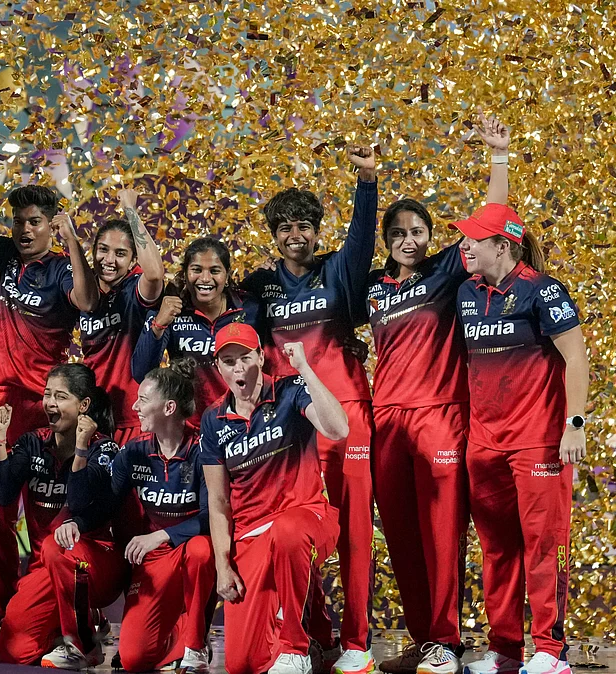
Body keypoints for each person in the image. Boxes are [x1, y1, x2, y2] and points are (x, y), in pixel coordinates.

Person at [369, 114, 511, 674]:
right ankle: (424, 636)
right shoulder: (374, 287)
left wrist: (498, 157)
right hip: (386, 421)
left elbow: (491, 220)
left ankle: (447, 643)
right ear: (387, 241)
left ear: (430, 237)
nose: (409, 241)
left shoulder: (446, 271)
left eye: (418, 232)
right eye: (398, 234)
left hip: (440, 417)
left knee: (442, 532)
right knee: (402, 536)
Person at [240, 145, 378, 674]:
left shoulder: (337, 270)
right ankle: (315, 635)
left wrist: (366, 182)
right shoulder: (261, 287)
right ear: (274, 236)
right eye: (285, 228)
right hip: (292, 423)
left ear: (317, 232)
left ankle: (357, 642)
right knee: (295, 529)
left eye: (304, 226)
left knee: (354, 530)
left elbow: (361, 237)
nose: (295, 235)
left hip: (347, 414)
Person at [452, 204, 589, 674]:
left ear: (502, 246)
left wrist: (574, 424)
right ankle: (506, 650)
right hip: (483, 443)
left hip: (537, 442)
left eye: (474, 238)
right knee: (497, 550)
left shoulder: (543, 290)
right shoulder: (466, 292)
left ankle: (551, 651)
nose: (464, 245)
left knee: (544, 546)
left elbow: (576, 358)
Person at [0, 185, 100, 653]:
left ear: (51, 225)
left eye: (35, 222)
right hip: (4, 401)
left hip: (49, 406)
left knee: (49, 518)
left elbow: (86, 301)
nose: (24, 229)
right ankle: (9, 615)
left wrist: (74, 240)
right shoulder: (6, 257)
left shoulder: (62, 267)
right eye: (19, 221)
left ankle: (61, 621)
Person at [201, 323, 349, 674]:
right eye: (228, 361)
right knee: (242, 664)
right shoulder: (213, 420)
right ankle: (320, 635)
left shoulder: (290, 390)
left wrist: (305, 369)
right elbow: (218, 502)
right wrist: (223, 564)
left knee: (288, 533)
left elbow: (338, 429)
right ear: (218, 367)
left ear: (260, 357)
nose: (238, 368)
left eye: (245, 358)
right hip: (252, 535)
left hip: (306, 517)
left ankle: (296, 648)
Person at [0, 363, 124, 670]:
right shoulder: (33, 442)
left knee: (56, 547)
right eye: (47, 394)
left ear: (83, 405)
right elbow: (3, 495)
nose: (49, 403)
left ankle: (84, 646)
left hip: (97, 564)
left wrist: (80, 448)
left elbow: (78, 502)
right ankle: (80, 620)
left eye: (60, 397)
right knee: (13, 651)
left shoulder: (104, 449)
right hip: (46, 569)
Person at [110, 360, 214, 673]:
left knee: (201, 550)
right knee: (134, 659)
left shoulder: (203, 449)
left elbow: (212, 516)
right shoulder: (134, 451)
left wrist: (161, 534)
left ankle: (195, 644)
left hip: (193, 549)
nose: (134, 407)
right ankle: (181, 628)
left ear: (169, 408)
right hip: (154, 558)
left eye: (143, 400)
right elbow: (106, 502)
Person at [132, 236, 262, 420]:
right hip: (190, 425)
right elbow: (141, 374)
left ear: (227, 275)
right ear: (185, 273)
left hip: (244, 421)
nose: (205, 278)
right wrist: (159, 324)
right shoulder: (171, 311)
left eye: (214, 270)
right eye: (196, 270)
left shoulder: (250, 307)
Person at [79, 186, 166, 445]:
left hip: (132, 419)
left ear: (133, 260)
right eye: (103, 249)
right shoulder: (84, 290)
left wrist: (130, 210)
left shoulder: (133, 289)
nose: (109, 259)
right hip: (91, 417)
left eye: (120, 254)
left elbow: (155, 275)